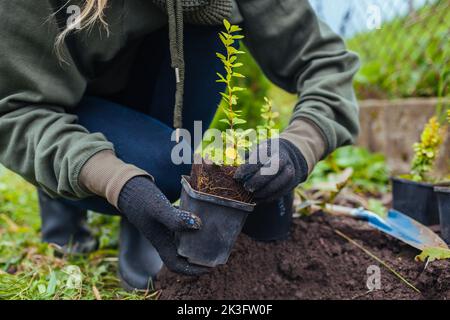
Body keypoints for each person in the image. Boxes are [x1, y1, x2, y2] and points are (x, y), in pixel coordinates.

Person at [0, 0, 360, 290]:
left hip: (147, 100)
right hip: (66, 105)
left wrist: (299, 146)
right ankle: (64, 186)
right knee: (158, 167)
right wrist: (119, 184)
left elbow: (326, 63)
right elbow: (17, 111)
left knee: (173, 161)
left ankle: (150, 211)